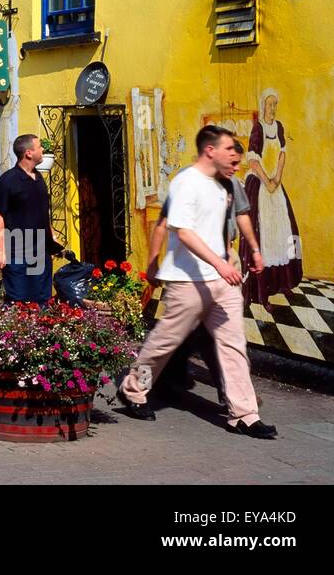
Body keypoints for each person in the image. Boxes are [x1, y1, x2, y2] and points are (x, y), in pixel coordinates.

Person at [118, 126, 276, 439]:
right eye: (230, 148)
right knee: (164, 342)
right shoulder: (185, 182)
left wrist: (251, 251)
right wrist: (215, 262)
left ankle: (244, 415)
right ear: (210, 150)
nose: (235, 155)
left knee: (233, 345)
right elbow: (182, 230)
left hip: (223, 280)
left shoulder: (226, 183)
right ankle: (134, 388)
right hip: (188, 281)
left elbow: (238, 218)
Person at [154, 138, 256, 399]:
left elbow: (242, 214)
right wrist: (153, 261)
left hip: (223, 262)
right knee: (182, 332)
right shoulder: (187, 183)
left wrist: (254, 249)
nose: (234, 165)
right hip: (188, 268)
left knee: (218, 332)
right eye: (229, 156)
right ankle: (146, 383)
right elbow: (164, 222)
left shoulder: (232, 183)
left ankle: (230, 393)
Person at [241, 89, 302, 304]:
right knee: (264, 233)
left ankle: (283, 283)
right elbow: (253, 160)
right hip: (260, 184)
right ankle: (262, 291)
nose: (273, 108)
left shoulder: (279, 127)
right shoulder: (257, 129)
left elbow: (282, 154)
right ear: (263, 106)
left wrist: (277, 179)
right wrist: (267, 182)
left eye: (275, 104)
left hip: (275, 185)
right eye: (269, 104)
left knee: (282, 230)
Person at [0, 134, 67, 303]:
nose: (43, 150)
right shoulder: (8, 180)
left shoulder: (39, 178)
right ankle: (13, 329)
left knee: (42, 298)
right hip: (16, 251)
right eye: (39, 147)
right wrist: (0, 251)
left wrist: (52, 238)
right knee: (18, 299)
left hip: (40, 250)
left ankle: (40, 329)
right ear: (29, 153)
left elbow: (42, 211)